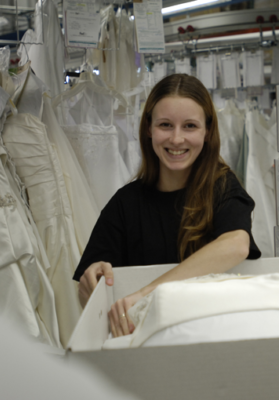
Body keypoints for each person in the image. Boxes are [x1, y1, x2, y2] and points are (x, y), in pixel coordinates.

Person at [73, 73, 261, 338]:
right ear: (149, 129)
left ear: (207, 132)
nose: (176, 139)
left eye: (190, 126)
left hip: (214, 337)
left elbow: (237, 244)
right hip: (147, 343)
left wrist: (146, 293)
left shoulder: (222, 187)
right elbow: (89, 295)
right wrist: (91, 281)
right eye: (165, 125)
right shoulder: (124, 204)